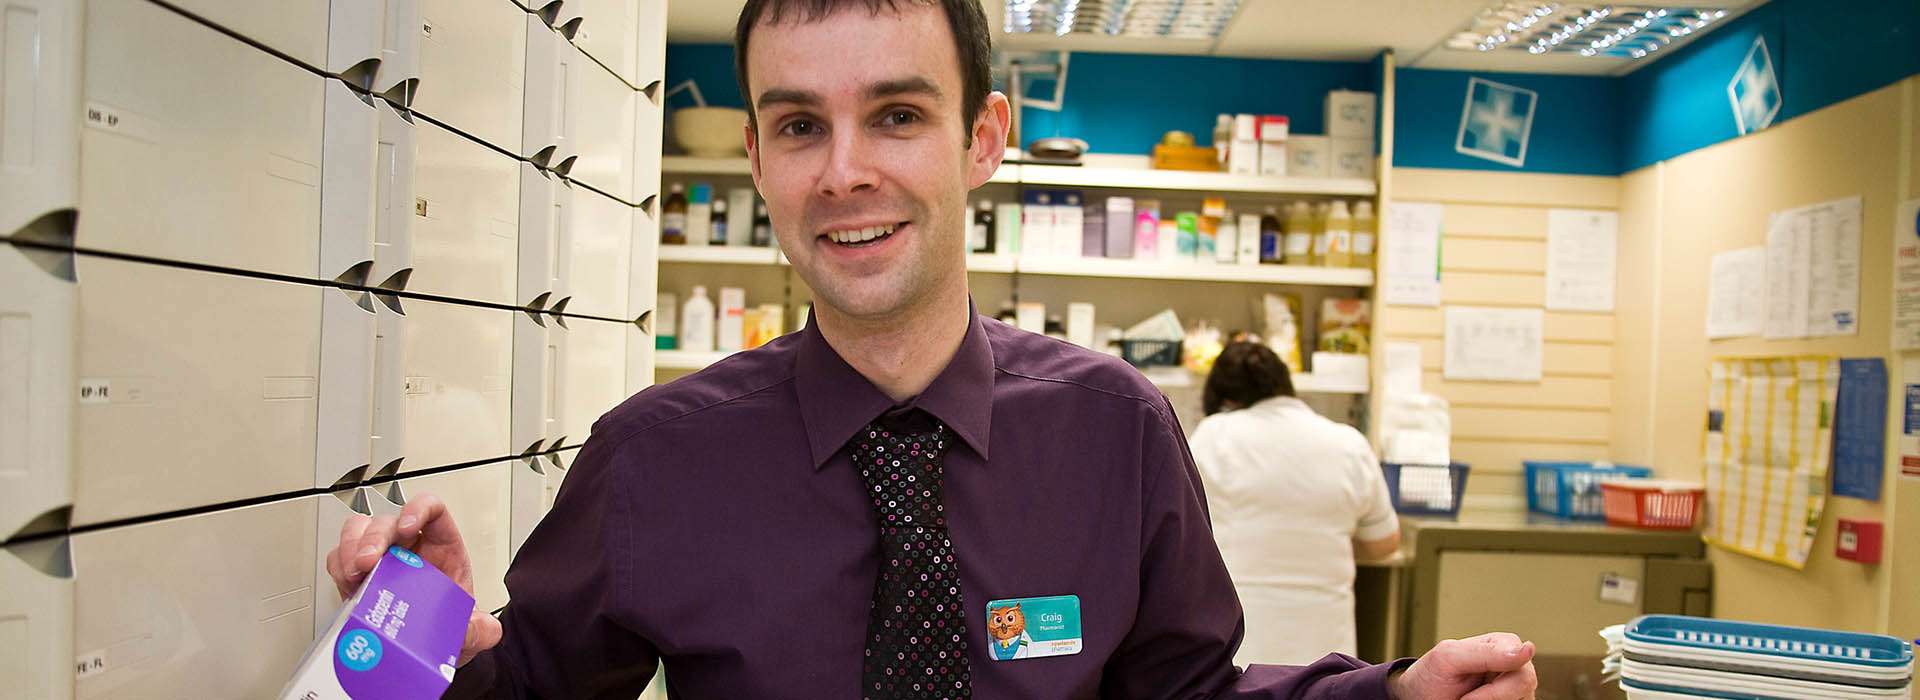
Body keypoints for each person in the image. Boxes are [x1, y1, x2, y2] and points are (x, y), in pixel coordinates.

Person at [324, 1, 1540, 697]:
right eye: (801, 124)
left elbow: (1184, 697)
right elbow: (527, 691)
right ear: (756, 160)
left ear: (984, 137)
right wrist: (421, 623)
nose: (846, 169)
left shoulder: (1114, 427)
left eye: (897, 114)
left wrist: (1389, 694)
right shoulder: (654, 458)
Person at [1189, 342, 1402, 668]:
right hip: (1327, 645)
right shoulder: (1349, 443)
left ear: (1226, 400)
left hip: (1242, 642)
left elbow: (1183, 536)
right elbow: (1383, 544)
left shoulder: (1213, 435)